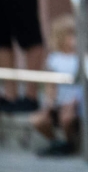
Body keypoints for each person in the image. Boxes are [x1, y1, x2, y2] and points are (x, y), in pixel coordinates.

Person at [30, 14, 84, 156]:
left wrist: (74, 102)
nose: (75, 39)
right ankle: (55, 142)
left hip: (74, 103)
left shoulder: (80, 59)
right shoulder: (54, 59)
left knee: (66, 118)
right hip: (58, 103)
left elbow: (82, 86)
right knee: (38, 120)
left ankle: (69, 143)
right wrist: (49, 103)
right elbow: (50, 85)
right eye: (70, 35)